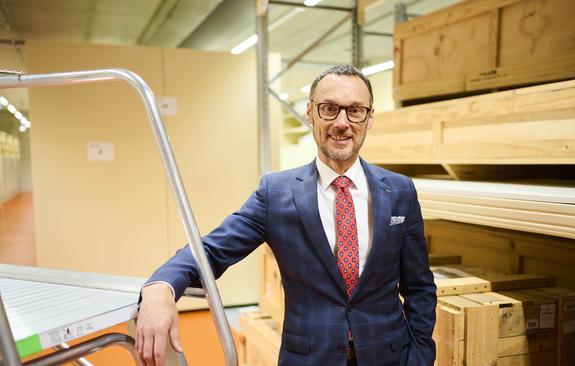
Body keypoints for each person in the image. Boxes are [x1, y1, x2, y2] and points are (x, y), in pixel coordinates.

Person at [136, 65, 437, 366]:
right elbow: (212, 250)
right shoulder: (276, 193)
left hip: (391, 357)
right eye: (329, 109)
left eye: (355, 110)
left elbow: (419, 286)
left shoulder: (399, 191)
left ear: (369, 117)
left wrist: (421, 355)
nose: (342, 123)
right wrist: (162, 285)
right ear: (310, 113)